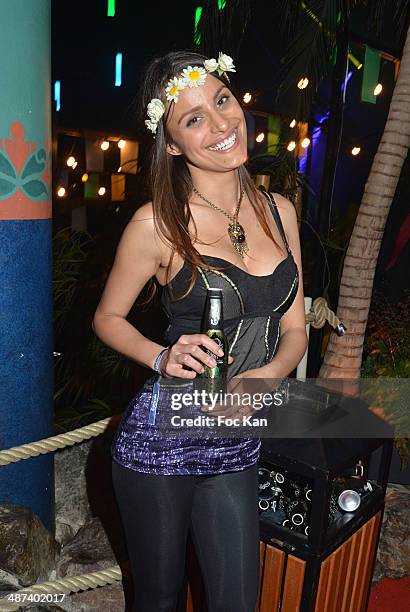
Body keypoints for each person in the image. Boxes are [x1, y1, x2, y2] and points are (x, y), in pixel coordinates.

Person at [93, 50, 308, 612]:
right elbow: (107, 318)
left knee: (238, 601)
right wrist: (162, 357)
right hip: (161, 443)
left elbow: (294, 327)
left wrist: (268, 376)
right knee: (159, 600)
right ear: (170, 144)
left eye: (222, 101)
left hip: (236, 437)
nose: (220, 124)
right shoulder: (155, 225)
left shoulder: (280, 212)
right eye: (193, 119)